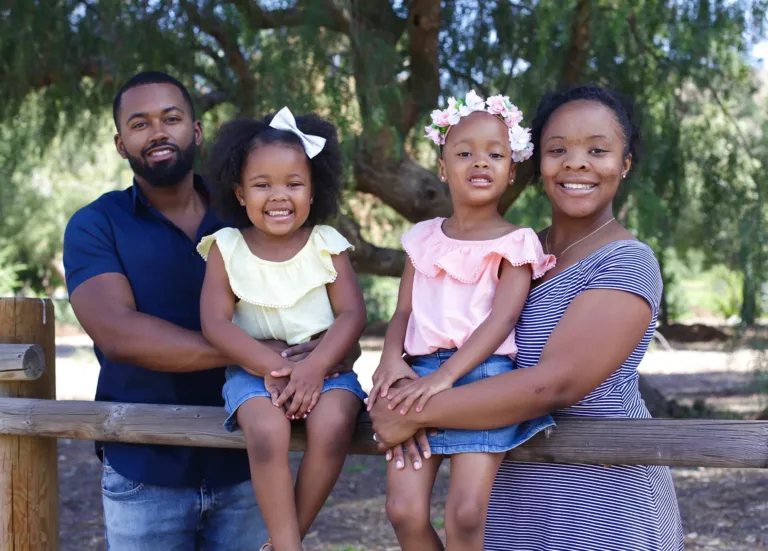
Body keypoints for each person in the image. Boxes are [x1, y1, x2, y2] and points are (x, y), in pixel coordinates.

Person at [369, 84, 685, 551]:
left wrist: (409, 412)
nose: (576, 163)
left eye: (598, 150)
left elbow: (554, 384)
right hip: (510, 515)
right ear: (537, 163)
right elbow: (424, 319)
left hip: (603, 516)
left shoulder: (625, 263)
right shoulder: (512, 252)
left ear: (626, 163)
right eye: (558, 150)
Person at [63, 72, 356, 550]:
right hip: (146, 466)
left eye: (171, 118)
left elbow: (324, 301)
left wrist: (321, 353)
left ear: (196, 132)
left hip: (247, 467)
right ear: (120, 143)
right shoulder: (97, 224)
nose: (158, 132)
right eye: (140, 124)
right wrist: (266, 355)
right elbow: (117, 333)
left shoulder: (250, 211)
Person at [367, 91, 556, 551]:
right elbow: (404, 312)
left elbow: (501, 320)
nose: (480, 162)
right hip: (420, 371)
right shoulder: (423, 238)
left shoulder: (517, 242)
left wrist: (449, 378)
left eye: (495, 154)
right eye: (464, 152)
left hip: (484, 377)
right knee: (403, 510)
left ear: (512, 171)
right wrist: (391, 359)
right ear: (442, 167)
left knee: (467, 515)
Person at [198, 108, 367, 551]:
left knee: (333, 426)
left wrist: (315, 368)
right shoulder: (226, 248)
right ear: (239, 192)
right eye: (262, 184)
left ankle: (286, 541)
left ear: (314, 191)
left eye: (294, 183)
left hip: (328, 370)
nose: (279, 196)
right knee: (268, 434)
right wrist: (277, 369)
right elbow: (214, 324)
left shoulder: (326, 243)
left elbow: (352, 315)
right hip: (255, 373)